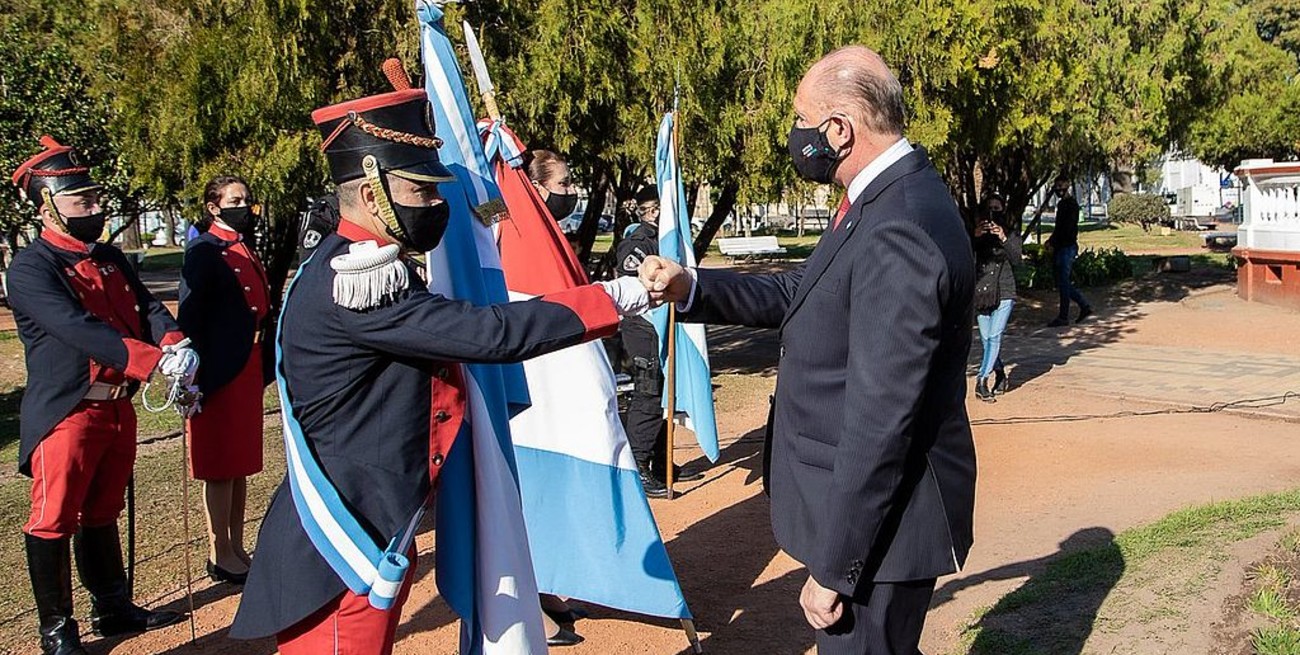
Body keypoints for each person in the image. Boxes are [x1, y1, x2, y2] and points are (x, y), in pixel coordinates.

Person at [229, 73, 649, 655]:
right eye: (422, 192)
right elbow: (488, 334)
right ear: (372, 194)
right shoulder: (355, 279)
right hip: (340, 543)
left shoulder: (367, 263)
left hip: (377, 520)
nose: (435, 205)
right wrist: (618, 296)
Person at [639, 46, 976, 653]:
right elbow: (807, 291)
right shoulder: (882, 198)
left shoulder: (898, 222)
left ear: (839, 129)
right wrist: (693, 288)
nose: (795, 135)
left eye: (802, 119)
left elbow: (881, 418)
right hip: (875, 523)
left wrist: (834, 567)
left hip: (882, 538)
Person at [8, 136, 195, 655]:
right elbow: (77, 327)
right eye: (81, 202)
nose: (95, 209)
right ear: (47, 207)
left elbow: (146, 307)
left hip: (116, 405)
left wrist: (174, 342)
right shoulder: (32, 267)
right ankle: (57, 630)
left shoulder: (110, 256)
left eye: (95, 199)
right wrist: (151, 360)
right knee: (54, 516)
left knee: (104, 507)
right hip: (69, 409)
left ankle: (111, 605)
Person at [177, 175, 274, 585]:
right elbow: (191, 316)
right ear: (213, 207)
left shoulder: (241, 245)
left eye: (246, 199)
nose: (243, 206)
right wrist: (192, 375)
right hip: (218, 368)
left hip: (248, 362)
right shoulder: (205, 250)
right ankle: (220, 551)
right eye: (234, 201)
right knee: (219, 464)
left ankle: (236, 545)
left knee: (240, 463)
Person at [614, 184, 705, 498]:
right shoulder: (637, 242)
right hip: (643, 327)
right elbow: (634, 280)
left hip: (664, 326)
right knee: (650, 392)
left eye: (660, 208)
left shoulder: (667, 239)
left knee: (669, 392)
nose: (655, 214)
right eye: (650, 209)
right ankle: (638, 464)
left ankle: (661, 460)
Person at [972, 194, 1022, 401]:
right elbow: (966, 254)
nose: (993, 213)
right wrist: (975, 236)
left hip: (1004, 289)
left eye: (997, 208)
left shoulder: (1010, 232)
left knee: (994, 336)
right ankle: (1000, 372)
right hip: (983, 291)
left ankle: (982, 380)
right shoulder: (978, 233)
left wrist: (1003, 237)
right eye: (990, 208)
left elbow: (1017, 259)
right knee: (986, 339)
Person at [1046, 176, 1093, 326]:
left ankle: (1064, 316)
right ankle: (1083, 306)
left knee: (1063, 282)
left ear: (1067, 186)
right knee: (1063, 283)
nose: (1059, 189)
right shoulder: (1062, 204)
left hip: (1066, 247)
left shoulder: (1071, 205)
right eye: (1057, 187)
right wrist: (1051, 241)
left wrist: (1054, 242)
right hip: (1062, 247)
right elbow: (1059, 227)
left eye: (1061, 186)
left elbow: (1066, 229)